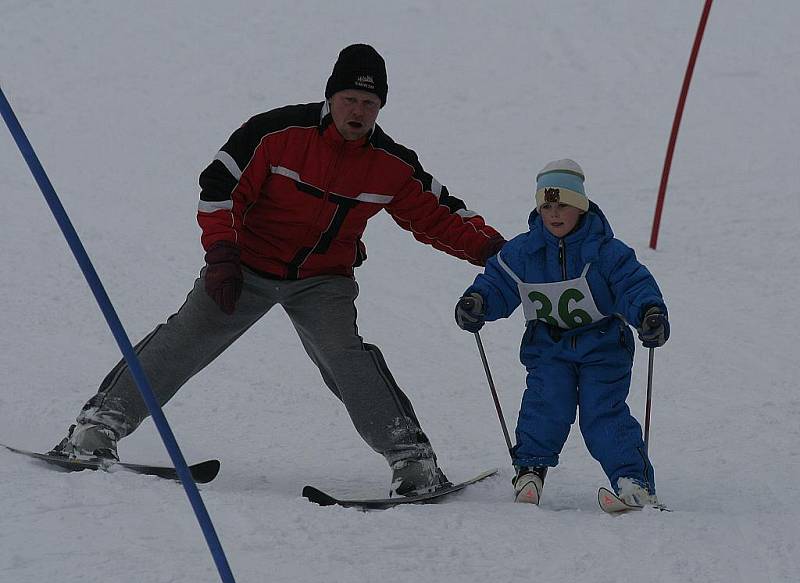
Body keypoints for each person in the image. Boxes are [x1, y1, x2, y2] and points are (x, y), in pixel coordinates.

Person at [51, 43, 505, 497]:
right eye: (350, 99)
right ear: (331, 97)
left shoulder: (391, 164)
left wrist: (500, 254)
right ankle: (96, 429)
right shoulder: (274, 133)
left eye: (370, 104)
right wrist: (223, 255)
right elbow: (219, 187)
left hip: (323, 279)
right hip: (245, 265)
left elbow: (440, 216)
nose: (358, 112)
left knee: (345, 355)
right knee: (187, 337)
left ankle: (413, 462)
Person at [454, 159, 669, 506]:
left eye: (563, 205)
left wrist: (649, 313)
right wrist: (478, 301)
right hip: (549, 346)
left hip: (603, 347)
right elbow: (498, 283)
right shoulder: (523, 252)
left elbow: (633, 285)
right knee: (545, 403)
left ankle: (633, 481)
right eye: (547, 206)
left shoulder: (606, 252)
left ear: (580, 206)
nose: (554, 214)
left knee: (604, 413)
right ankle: (530, 471)